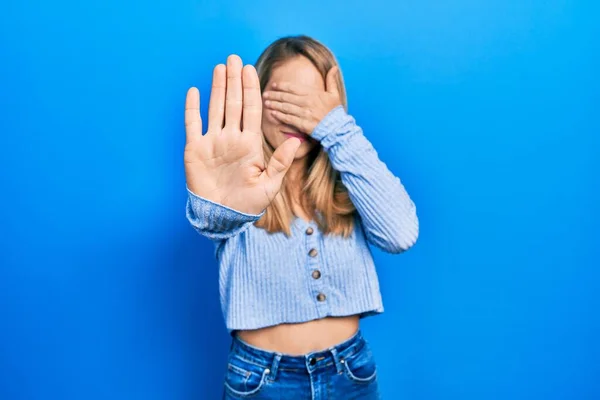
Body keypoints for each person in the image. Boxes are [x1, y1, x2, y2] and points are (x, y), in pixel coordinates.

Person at [184, 35, 419, 399]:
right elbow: (213, 220)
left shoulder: (350, 181)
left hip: (350, 374)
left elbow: (400, 234)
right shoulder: (237, 189)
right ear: (255, 102)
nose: (298, 115)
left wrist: (334, 126)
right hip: (260, 380)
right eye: (283, 99)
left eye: (309, 103)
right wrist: (220, 202)